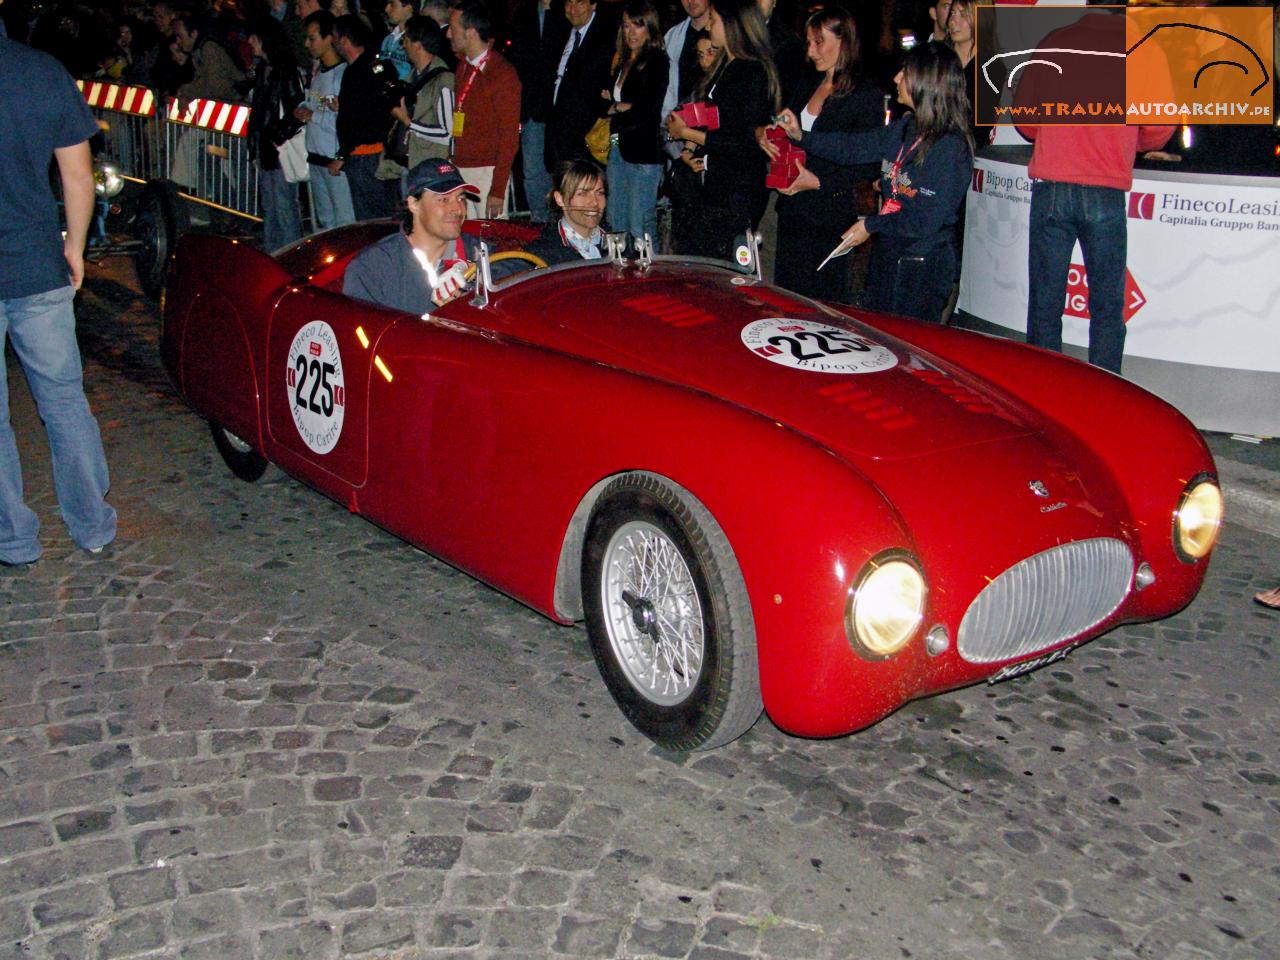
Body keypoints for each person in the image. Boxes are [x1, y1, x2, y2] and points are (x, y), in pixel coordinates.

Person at [1, 32, 117, 566]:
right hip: (36, 263)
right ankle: (91, 523)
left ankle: (13, 538)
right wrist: (75, 246)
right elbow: (77, 174)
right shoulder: (42, 71)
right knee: (63, 401)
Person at [1014, 2, 1173, 374]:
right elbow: (1161, 127)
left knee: (1045, 306)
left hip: (1052, 187)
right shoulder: (1145, 48)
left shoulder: (1054, 42)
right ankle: (1106, 396)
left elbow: (1025, 118)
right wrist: (1128, 141)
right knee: (1106, 308)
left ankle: (1044, 392)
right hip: (1105, 189)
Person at [776, 42, 973, 323]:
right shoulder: (906, 128)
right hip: (889, 253)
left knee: (911, 349)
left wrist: (871, 225)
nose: (896, 79)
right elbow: (852, 147)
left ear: (925, 82)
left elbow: (925, 220)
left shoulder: (950, 147)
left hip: (921, 267)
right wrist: (801, 137)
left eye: (905, 73)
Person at [765, 5, 880, 302]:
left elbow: (866, 164)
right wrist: (773, 136)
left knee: (821, 304)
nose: (812, 51)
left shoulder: (865, 95)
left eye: (819, 42)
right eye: (809, 42)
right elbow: (793, 133)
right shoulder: (808, 82)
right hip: (793, 210)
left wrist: (817, 182)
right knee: (787, 300)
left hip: (828, 216)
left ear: (843, 42)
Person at [665, 0, 777, 260]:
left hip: (739, 186)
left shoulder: (752, 70)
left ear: (731, 24)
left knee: (727, 265)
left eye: (714, 20)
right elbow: (712, 118)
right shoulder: (725, 65)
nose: (710, 24)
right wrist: (690, 149)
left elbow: (744, 140)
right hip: (716, 180)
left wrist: (687, 134)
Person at [344, 159, 481, 313]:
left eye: (461, 199)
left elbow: (510, 265)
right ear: (414, 205)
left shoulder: (478, 250)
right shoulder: (373, 267)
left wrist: (474, 273)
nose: (457, 209)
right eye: (443, 200)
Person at [602, 0, 668, 249]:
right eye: (627, 26)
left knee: (640, 227)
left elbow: (646, 111)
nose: (631, 32)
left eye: (637, 26)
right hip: (617, 148)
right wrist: (622, 106)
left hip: (643, 155)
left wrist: (617, 109)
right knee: (616, 222)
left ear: (649, 28)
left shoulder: (657, 61)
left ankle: (649, 277)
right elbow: (605, 102)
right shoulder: (622, 61)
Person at [447, 1, 521, 218]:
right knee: (464, 239)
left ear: (470, 33)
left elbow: (509, 137)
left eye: (453, 29)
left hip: (487, 172)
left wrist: (497, 189)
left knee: (490, 242)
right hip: (460, 169)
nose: (448, 35)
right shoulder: (462, 67)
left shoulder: (502, 74)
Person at [333, 13, 400, 220]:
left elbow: (358, 119)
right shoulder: (374, 66)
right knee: (384, 217)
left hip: (366, 157)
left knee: (372, 221)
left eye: (334, 37)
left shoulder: (361, 71)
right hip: (376, 155)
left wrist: (342, 154)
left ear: (344, 40)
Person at [248, 17, 307, 250]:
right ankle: (275, 256)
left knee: (284, 207)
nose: (250, 42)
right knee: (270, 206)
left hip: (279, 148)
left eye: (255, 37)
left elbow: (297, 110)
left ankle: (290, 255)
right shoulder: (264, 70)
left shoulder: (285, 71)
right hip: (267, 147)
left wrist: (275, 137)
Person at [508, 0, 568, 221]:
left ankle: (562, 225)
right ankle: (540, 222)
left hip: (559, 109)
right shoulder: (523, 13)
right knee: (533, 172)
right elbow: (518, 58)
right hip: (532, 106)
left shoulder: (567, 10)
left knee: (562, 171)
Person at [297, 10, 357, 229]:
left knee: (343, 222)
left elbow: (344, 119)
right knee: (325, 222)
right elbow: (316, 104)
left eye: (312, 38)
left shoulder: (342, 74)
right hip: (316, 156)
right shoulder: (317, 71)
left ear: (329, 39)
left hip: (333, 159)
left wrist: (315, 116)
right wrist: (305, 109)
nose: (307, 44)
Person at [546, 0, 617, 173]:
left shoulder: (606, 38)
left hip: (587, 135)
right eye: (568, 3)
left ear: (593, 5)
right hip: (559, 132)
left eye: (579, 3)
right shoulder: (560, 33)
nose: (572, 9)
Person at [390, 15, 454, 171]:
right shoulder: (410, 78)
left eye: (405, 39)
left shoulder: (443, 79)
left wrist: (408, 122)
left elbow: (448, 133)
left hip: (431, 168)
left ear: (417, 45)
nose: (403, 45)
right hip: (409, 163)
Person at [525, 158, 609, 264]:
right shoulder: (544, 254)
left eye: (600, 193)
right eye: (582, 194)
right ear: (560, 199)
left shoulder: (623, 245)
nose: (594, 202)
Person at [660, 0, 712, 161]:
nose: (691, 1)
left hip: (713, 133)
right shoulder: (673, 35)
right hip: (677, 132)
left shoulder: (725, 34)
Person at [380, 0, 415, 80]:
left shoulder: (417, 40)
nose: (386, 9)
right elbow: (379, 66)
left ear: (408, 7)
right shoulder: (387, 39)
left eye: (392, 4)